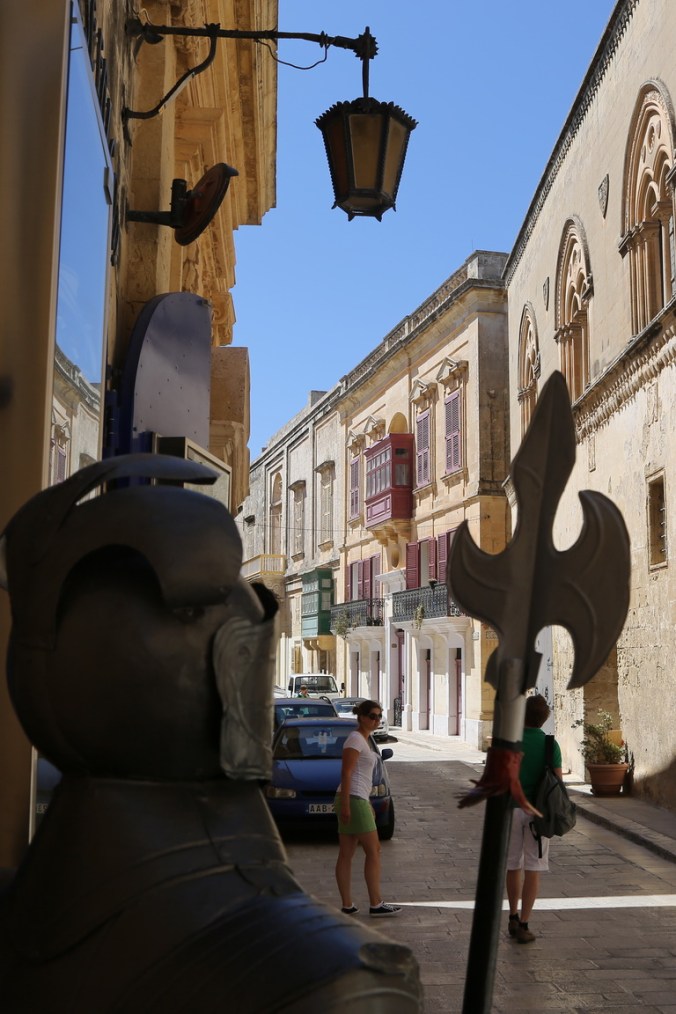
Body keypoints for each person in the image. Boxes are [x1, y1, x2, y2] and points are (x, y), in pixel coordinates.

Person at [334, 699, 401, 918]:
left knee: (347, 853)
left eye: (379, 716)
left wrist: (368, 802)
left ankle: (347, 904)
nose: (376, 720)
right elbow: (347, 772)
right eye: (372, 716)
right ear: (361, 717)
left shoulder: (364, 739)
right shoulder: (355, 739)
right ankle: (375, 903)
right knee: (374, 850)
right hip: (351, 798)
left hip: (356, 798)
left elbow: (362, 778)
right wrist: (346, 805)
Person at [506, 693, 563, 943]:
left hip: (509, 810)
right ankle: (525, 924)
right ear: (544, 719)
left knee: (512, 865)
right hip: (537, 815)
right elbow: (559, 782)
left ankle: (512, 915)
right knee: (533, 868)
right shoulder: (551, 745)